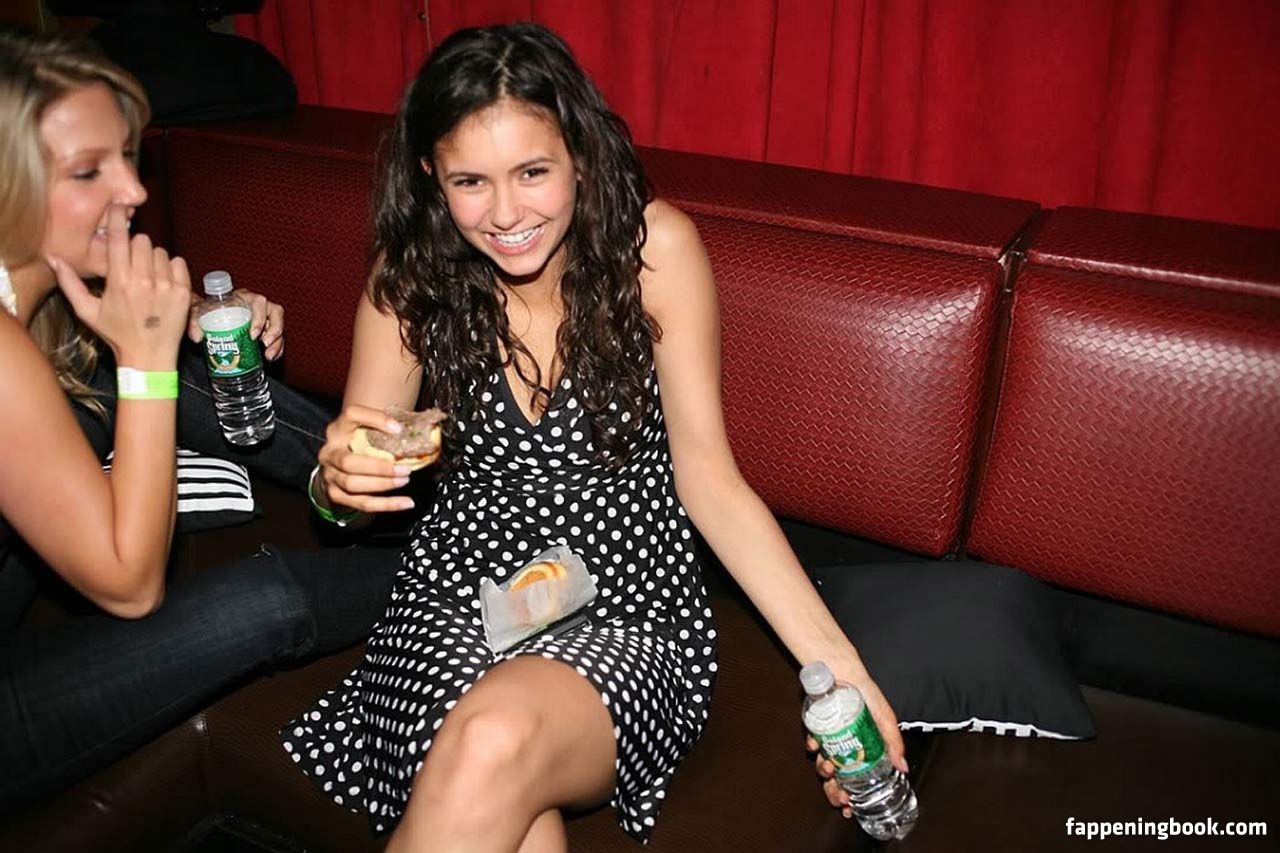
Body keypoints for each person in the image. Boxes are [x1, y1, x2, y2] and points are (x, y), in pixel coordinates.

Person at [288, 23, 908, 852]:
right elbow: (354, 484)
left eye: (532, 172)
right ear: (431, 175)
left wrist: (846, 674)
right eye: (471, 181)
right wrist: (334, 487)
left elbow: (711, 484)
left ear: (578, 153)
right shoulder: (408, 279)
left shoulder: (653, 253)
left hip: (626, 610)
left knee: (490, 742)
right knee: (519, 821)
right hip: (454, 602)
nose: (507, 214)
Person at [0, 27, 396, 809]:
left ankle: (426, 487)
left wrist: (199, 332)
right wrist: (146, 358)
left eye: (127, 155)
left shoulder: (41, 298)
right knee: (262, 603)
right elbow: (129, 584)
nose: (133, 190)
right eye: (88, 171)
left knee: (166, 375)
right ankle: (471, 556)